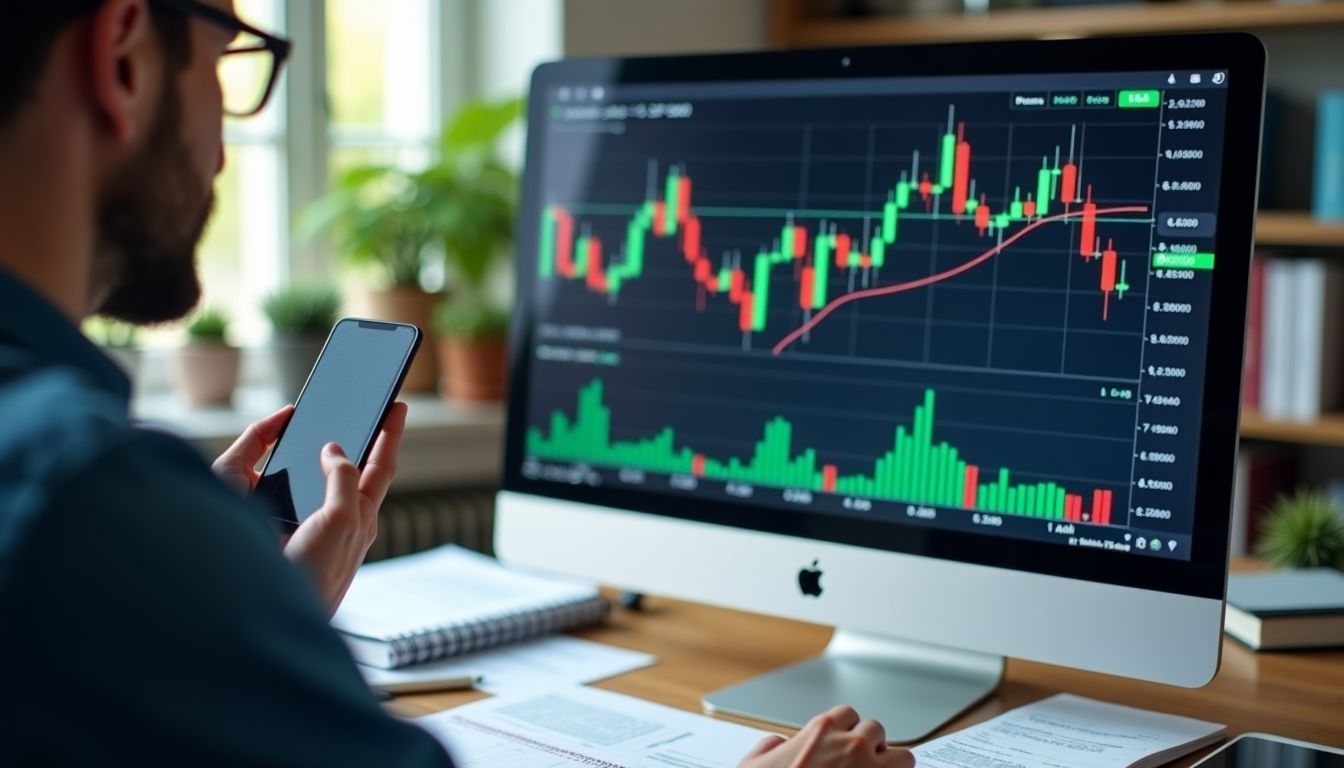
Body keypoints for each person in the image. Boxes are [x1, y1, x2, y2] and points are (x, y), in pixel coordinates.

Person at [0, 2, 915, 766]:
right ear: (123, 59)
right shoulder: (83, 503)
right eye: (228, 66)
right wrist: (182, 583)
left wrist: (240, 624)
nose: (222, 152)